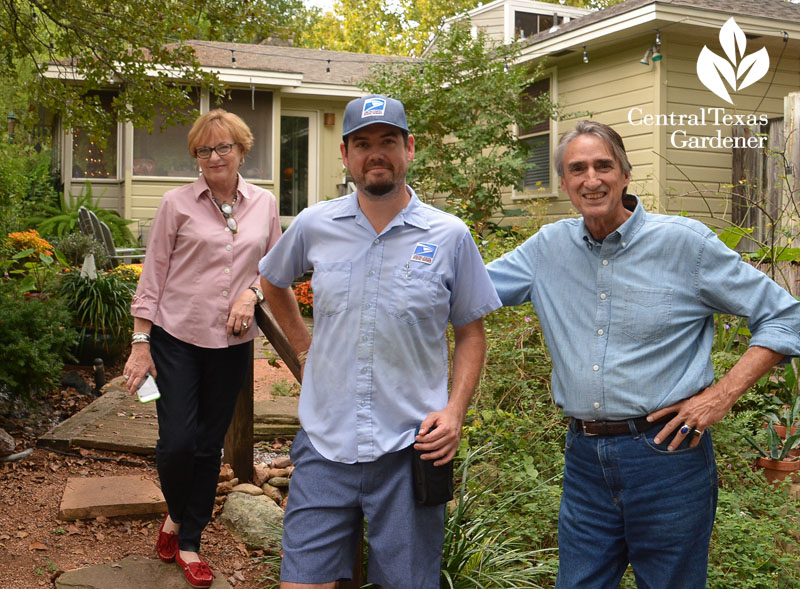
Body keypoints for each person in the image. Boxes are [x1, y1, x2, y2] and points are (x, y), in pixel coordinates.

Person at [486, 120, 800, 588]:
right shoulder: (546, 250)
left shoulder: (685, 245)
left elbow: (785, 316)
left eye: (603, 166)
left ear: (626, 174)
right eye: (577, 169)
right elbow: (465, 288)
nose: (591, 180)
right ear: (565, 183)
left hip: (668, 455)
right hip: (585, 458)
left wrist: (721, 396)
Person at [257, 94, 501, 588]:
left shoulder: (449, 235)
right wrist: (303, 346)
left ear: (409, 148)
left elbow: (471, 332)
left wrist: (454, 412)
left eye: (387, 141)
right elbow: (272, 280)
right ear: (345, 155)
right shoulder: (314, 224)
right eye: (362, 143)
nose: (375, 153)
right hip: (324, 446)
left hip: (411, 450)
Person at [123, 109, 281, 588]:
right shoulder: (176, 204)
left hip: (232, 345)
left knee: (209, 445)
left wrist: (251, 293)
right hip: (175, 339)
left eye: (223, 147)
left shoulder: (264, 204)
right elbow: (152, 277)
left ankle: (188, 538)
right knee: (177, 443)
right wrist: (140, 344)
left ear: (241, 150)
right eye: (203, 150)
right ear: (196, 155)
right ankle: (176, 513)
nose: (214, 156)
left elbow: (274, 267)